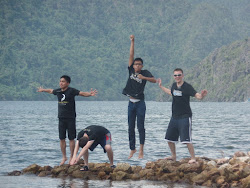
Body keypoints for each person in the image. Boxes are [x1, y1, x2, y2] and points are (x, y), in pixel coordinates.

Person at [37, 75, 97, 165]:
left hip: (71, 118)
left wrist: (90, 94)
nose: (61, 83)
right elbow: (50, 90)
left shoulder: (71, 91)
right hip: (61, 118)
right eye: (60, 81)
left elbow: (82, 93)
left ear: (68, 83)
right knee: (62, 138)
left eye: (63, 81)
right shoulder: (57, 91)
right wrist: (43, 90)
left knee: (71, 138)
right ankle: (64, 157)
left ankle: (72, 157)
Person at [158, 68, 207, 164]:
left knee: (186, 140)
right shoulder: (173, 85)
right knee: (169, 138)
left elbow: (197, 96)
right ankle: (173, 156)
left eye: (179, 75)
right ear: (173, 76)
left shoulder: (187, 87)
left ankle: (193, 158)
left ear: (182, 75)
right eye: (175, 75)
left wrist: (202, 95)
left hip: (185, 116)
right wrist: (161, 87)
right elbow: (170, 92)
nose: (177, 77)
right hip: (174, 117)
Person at [122, 35, 157, 159]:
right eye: (135, 64)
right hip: (131, 103)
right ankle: (133, 149)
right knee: (130, 127)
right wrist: (132, 41)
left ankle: (141, 150)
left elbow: (154, 80)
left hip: (140, 103)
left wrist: (144, 78)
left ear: (142, 66)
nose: (137, 66)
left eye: (139, 64)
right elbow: (131, 55)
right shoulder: (131, 71)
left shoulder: (145, 73)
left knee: (140, 127)